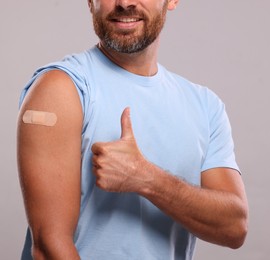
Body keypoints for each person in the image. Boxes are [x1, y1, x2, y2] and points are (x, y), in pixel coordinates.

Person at [17, 0, 249, 259]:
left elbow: (234, 227)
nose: (124, 3)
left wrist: (146, 178)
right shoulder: (61, 89)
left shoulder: (205, 106)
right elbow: (49, 248)